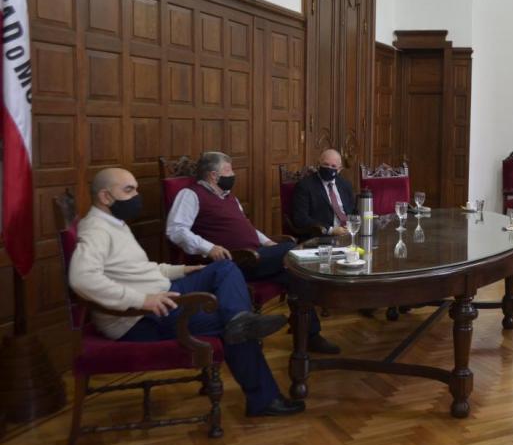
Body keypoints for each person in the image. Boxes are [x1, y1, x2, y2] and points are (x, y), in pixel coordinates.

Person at [70, 168, 305, 417]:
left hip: (163, 291)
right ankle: (263, 400)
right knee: (233, 324)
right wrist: (142, 300)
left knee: (224, 268)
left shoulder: (115, 223)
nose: (137, 195)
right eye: (129, 190)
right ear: (106, 197)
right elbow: (81, 278)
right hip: (140, 317)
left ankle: (240, 320)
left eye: (136, 188)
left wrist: (183, 269)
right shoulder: (96, 229)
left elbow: (144, 270)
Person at [166, 151, 340, 354]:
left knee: (296, 276)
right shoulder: (190, 194)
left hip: (257, 256)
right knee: (294, 251)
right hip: (232, 262)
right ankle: (321, 264)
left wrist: (267, 242)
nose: (232, 175)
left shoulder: (229, 198)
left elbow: (247, 227)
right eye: (229, 170)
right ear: (213, 175)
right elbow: (175, 230)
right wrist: (209, 248)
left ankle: (310, 335)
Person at [291, 148, 356, 239]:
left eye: (333, 166)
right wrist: (330, 230)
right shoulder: (305, 186)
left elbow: (353, 210)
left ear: (339, 169)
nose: (329, 169)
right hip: (322, 237)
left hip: (349, 233)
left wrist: (351, 226)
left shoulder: (345, 185)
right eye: (326, 164)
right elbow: (300, 218)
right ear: (319, 164)